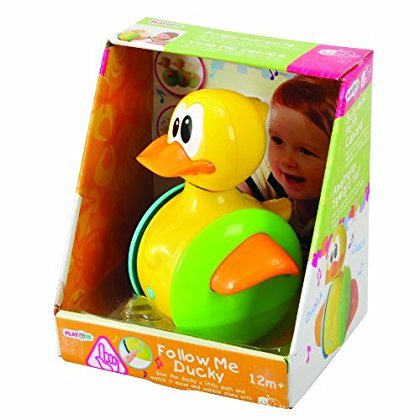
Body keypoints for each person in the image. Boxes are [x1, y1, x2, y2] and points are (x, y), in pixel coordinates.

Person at [240, 75, 341, 260]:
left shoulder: (337, 205)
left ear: (337, 158)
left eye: (305, 151)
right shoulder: (270, 175)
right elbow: (238, 197)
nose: (286, 161)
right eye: (278, 141)